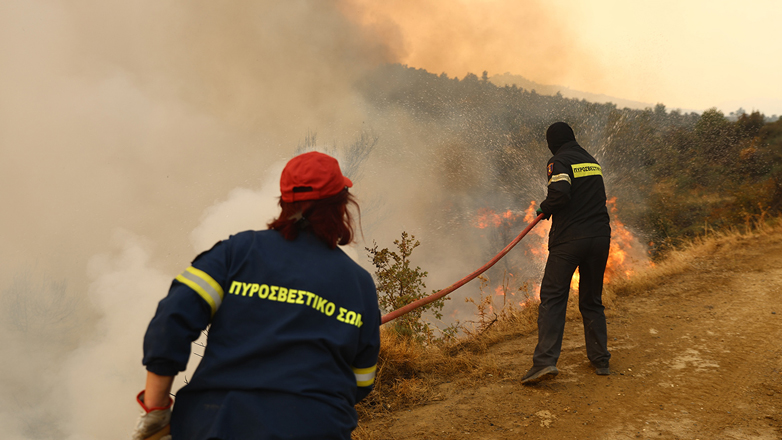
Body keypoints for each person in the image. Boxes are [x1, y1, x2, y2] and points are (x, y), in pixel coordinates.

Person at [132, 151, 381, 440]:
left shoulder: (236, 253)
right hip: (315, 427)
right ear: (341, 205)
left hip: (217, 422)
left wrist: (156, 411)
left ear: (284, 201)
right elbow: (361, 380)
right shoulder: (359, 284)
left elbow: (171, 321)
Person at [521, 122, 612, 384]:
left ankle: (544, 363)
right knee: (592, 300)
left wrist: (544, 208)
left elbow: (560, 193)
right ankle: (600, 360)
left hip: (570, 241)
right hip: (600, 238)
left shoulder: (558, 161)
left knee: (553, 297)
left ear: (553, 143)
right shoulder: (590, 160)